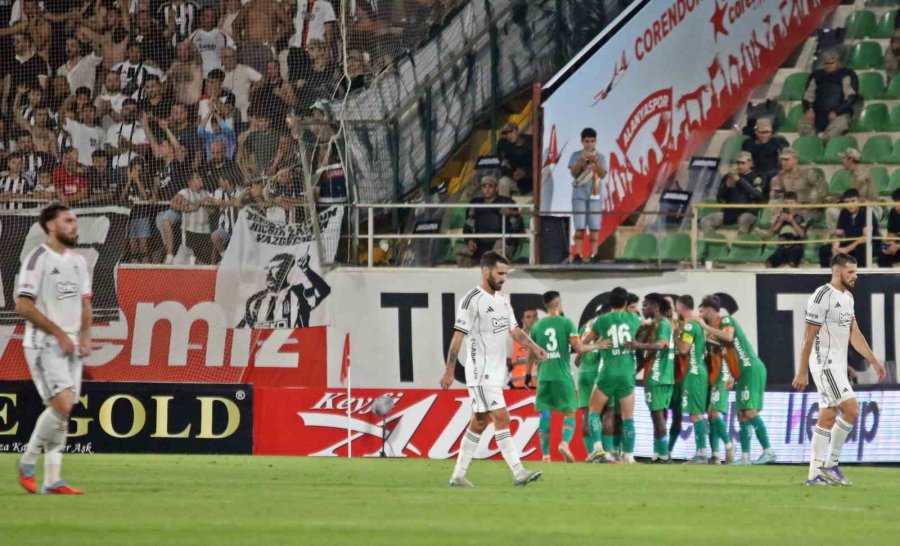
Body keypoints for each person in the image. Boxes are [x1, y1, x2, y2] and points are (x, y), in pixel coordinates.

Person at [439, 252, 545, 487]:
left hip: (497, 373)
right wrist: (449, 370)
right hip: (480, 371)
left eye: (506, 273)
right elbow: (458, 337)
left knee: (478, 422)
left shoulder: (503, 300)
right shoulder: (471, 301)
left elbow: (515, 331)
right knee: (502, 417)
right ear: (485, 271)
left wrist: (534, 347)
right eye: (500, 273)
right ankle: (518, 472)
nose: (503, 278)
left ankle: (458, 474)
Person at [15, 204, 91, 495]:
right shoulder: (37, 259)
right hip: (44, 342)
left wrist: (85, 334)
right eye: (68, 221)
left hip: (71, 343)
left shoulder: (79, 262)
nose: (75, 226)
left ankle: (52, 480)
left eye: (75, 221)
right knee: (63, 404)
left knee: (62, 411)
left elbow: (85, 303)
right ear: (50, 225)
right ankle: (27, 461)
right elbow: (22, 305)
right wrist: (58, 332)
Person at [793, 254, 886, 485]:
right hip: (824, 363)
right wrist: (801, 370)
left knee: (827, 416)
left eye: (856, 272)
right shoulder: (822, 295)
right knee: (851, 409)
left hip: (837, 365)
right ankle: (829, 465)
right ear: (837, 271)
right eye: (851, 272)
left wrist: (873, 360)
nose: (856, 276)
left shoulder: (848, 298)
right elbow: (808, 336)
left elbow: (854, 333)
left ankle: (816, 473)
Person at [698, 295, 776, 465]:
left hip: (751, 369)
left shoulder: (725, 320)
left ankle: (768, 451)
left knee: (749, 411)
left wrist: (705, 327)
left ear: (710, 309)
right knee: (742, 415)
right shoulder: (716, 331)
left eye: (702, 309)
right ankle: (746, 457)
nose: (700, 313)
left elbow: (729, 337)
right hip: (742, 373)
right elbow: (731, 351)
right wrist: (733, 374)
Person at [528, 291, 602, 462]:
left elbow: (532, 351)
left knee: (545, 414)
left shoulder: (537, 327)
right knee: (569, 413)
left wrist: (527, 373)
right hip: (562, 375)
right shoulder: (566, 323)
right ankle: (564, 443)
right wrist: (597, 346)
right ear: (559, 304)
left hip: (544, 376)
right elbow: (580, 349)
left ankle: (546, 455)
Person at [581, 286, 641, 464]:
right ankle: (629, 455)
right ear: (626, 302)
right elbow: (644, 335)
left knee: (594, 412)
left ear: (610, 302)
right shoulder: (633, 319)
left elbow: (583, 345)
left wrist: (597, 345)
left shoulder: (601, 321)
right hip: (626, 373)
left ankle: (598, 448)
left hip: (607, 372)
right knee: (628, 417)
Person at [626, 293, 674, 463]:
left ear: (656, 306)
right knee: (657, 414)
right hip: (660, 375)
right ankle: (658, 453)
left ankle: (663, 455)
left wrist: (638, 345)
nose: (643, 308)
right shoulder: (657, 325)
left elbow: (661, 345)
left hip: (657, 376)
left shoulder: (662, 325)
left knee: (657, 415)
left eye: (646, 305)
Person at [237, 252, 331, 328]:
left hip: (294, 348)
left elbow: (324, 290)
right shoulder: (255, 300)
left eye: (274, 269)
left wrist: (306, 269)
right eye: (268, 269)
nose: (269, 273)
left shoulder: (299, 292)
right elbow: (241, 331)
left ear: (286, 271)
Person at [673, 295, 710, 464]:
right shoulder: (697, 324)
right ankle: (702, 452)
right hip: (698, 371)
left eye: (676, 305)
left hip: (694, 373)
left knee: (695, 414)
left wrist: (675, 336)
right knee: (697, 413)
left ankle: (702, 453)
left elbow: (684, 349)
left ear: (681, 306)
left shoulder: (689, 326)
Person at [458, 176, 522, 266]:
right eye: (484, 186)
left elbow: (516, 227)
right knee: (461, 253)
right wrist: (469, 240)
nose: (487, 189)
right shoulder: (475, 204)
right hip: (479, 244)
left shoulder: (507, 203)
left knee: (497, 257)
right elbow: (468, 226)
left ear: (496, 188)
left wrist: (504, 239)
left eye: (490, 186)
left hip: (501, 243)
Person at [798, 49, 858, 140]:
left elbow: (850, 97)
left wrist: (837, 111)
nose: (829, 66)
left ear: (838, 62)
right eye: (826, 63)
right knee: (803, 125)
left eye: (832, 63)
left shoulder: (846, 75)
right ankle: (814, 146)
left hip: (839, 114)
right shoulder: (816, 76)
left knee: (836, 129)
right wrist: (809, 109)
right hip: (817, 113)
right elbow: (808, 96)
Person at [568, 127, 606, 263]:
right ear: (582, 142)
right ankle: (578, 254)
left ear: (595, 142)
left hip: (595, 195)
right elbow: (574, 173)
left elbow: (602, 174)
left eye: (592, 141)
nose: (589, 144)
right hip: (579, 195)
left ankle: (594, 254)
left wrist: (596, 163)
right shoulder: (575, 155)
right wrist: (581, 161)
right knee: (580, 227)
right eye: (587, 141)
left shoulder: (600, 157)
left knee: (595, 228)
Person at [701, 152, 763, 235]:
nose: (740, 166)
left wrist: (740, 181)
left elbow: (759, 196)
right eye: (738, 163)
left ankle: (740, 246)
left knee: (744, 219)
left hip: (748, 211)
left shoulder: (755, 177)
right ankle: (715, 244)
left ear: (750, 163)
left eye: (743, 163)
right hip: (730, 212)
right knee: (706, 221)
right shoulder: (729, 176)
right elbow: (719, 198)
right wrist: (727, 187)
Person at [818, 189, 881, 268]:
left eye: (853, 201)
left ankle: (861, 276)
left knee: (861, 248)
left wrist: (846, 250)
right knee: (824, 249)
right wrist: (835, 246)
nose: (850, 205)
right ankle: (829, 276)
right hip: (851, 242)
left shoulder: (867, 212)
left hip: (870, 244)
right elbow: (839, 234)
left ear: (859, 200)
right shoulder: (844, 212)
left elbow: (865, 238)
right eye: (847, 202)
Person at [575, 304, 607, 459]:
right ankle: (607, 453)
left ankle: (591, 453)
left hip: (584, 373)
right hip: (600, 371)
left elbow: (577, 357)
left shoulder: (585, 327)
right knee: (607, 413)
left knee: (587, 415)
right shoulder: (606, 324)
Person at [826, 148, 881, 231]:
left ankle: (839, 239)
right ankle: (839, 239)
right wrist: (838, 199)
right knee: (832, 210)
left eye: (843, 158)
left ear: (850, 160)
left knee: (831, 211)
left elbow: (859, 198)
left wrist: (841, 202)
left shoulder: (860, 173)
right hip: (861, 209)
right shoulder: (854, 172)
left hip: (870, 210)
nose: (841, 161)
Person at [765, 191, 812, 268]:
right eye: (786, 203)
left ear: (796, 204)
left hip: (795, 247)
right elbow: (773, 231)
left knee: (791, 264)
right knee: (768, 263)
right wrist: (780, 221)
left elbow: (802, 234)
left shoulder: (801, 217)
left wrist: (792, 221)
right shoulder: (780, 216)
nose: (788, 205)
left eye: (791, 203)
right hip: (782, 247)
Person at [741, 118, 788, 188]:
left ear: (771, 132)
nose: (765, 135)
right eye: (762, 132)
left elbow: (786, 155)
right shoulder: (749, 143)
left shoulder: (778, 142)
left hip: (774, 174)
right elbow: (745, 160)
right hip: (755, 174)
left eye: (767, 132)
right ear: (756, 132)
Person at [496, 122, 532, 196]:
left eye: (511, 131)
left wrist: (525, 173)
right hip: (516, 181)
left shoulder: (531, 142)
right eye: (506, 133)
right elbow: (503, 166)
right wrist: (513, 174)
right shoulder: (505, 146)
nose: (509, 135)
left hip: (533, 181)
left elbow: (540, 165)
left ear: (517, 131)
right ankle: (504, 207)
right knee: (503, 182)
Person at [506, 307, 537, 389]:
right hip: (518, 386)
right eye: (528, 317)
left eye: (534, 316)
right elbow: (507, 361)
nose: (532, 319)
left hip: (539, 386)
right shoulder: (514, 339)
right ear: (522, 320)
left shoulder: (542, 338)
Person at [878, 188, 900, 268]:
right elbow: (890, 234)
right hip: (896, 245)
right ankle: (887, 278)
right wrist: (891, 245)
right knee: (882, 250)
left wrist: (897, 246)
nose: (896, 206)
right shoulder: (893, 212)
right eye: (895, 202)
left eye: (898, 202)